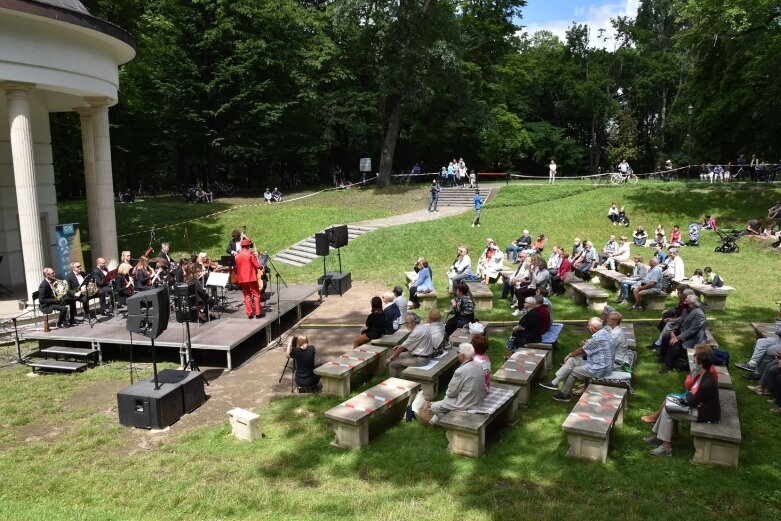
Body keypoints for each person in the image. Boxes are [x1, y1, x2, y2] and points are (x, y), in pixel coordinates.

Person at [644, 351, 720, 456]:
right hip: (698, 407)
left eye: (695, 361)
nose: (693, 363)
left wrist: (690, 398)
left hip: (705, 414)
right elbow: (691, 394)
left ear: (701, 364)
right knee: (668, 403)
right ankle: (658, 437)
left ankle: (666, 447)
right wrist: (690, 397)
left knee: (668, 410)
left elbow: (692, 401)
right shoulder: (702, 375)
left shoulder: (707, 381)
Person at [539, 317, 614, 402]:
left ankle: (564, 395)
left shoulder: (597, 339)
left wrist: (570, 354)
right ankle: (554, 383)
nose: (587, 327)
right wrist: (585, 344)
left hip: (600, 368)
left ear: (594, 328)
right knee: (572, 360)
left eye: (588, 326)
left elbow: (582, 350)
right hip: (602, 364)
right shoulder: (604, 333)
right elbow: (592, 347)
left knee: (573, 371)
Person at [422, 343, 486, 426]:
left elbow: (451, 393)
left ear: (462, 356)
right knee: (443, 403)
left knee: (436, 407)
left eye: (458, 352)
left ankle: (453, 425)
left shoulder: (461, 371)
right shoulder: (478, 364)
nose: (457, 354)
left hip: (467, 403)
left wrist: (448, 396)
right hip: (477, 399)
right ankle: (432, 422)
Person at [658, 295, 708, 373]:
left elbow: (692, 330)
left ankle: (668, 366)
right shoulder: (686, 310)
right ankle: (663, 357)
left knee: (674, 344)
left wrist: (677, 338)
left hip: (693, 338)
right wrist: (673, 332)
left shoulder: (699, 314)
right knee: (666, 336)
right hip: (683, 333)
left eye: (686, 301)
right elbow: (679, 322)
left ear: (691, 304)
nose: (684, 302)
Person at [387, 311, 440, 377]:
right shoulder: (424, 326)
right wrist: (400, 347)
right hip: (424, 356)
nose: (405, 325)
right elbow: (409, 344)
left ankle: (393, 382)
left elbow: (402, 347)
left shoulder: (416, 332)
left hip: (420, 360)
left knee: (392, 364)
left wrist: (391, 357)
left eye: (407, 323)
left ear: (413, 323)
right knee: (400, 355)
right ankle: (404, 376)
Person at [735, 314, 781, 379]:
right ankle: (752, 364)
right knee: (761, 342)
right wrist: (779, 320)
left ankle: (758, 373)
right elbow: (777, 331)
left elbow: (778, 332)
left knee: (769, 350)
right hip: (778, 340)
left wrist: (779, 323)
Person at [235, 238, 263, 319]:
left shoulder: (237, 256)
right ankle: (258, 313)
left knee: (247, 295)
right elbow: (257, 266)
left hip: (242, 279)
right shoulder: (250, 254)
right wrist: (262, 266)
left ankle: (250, 314)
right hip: (251, 278)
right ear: (248, 246)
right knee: (256, 294)